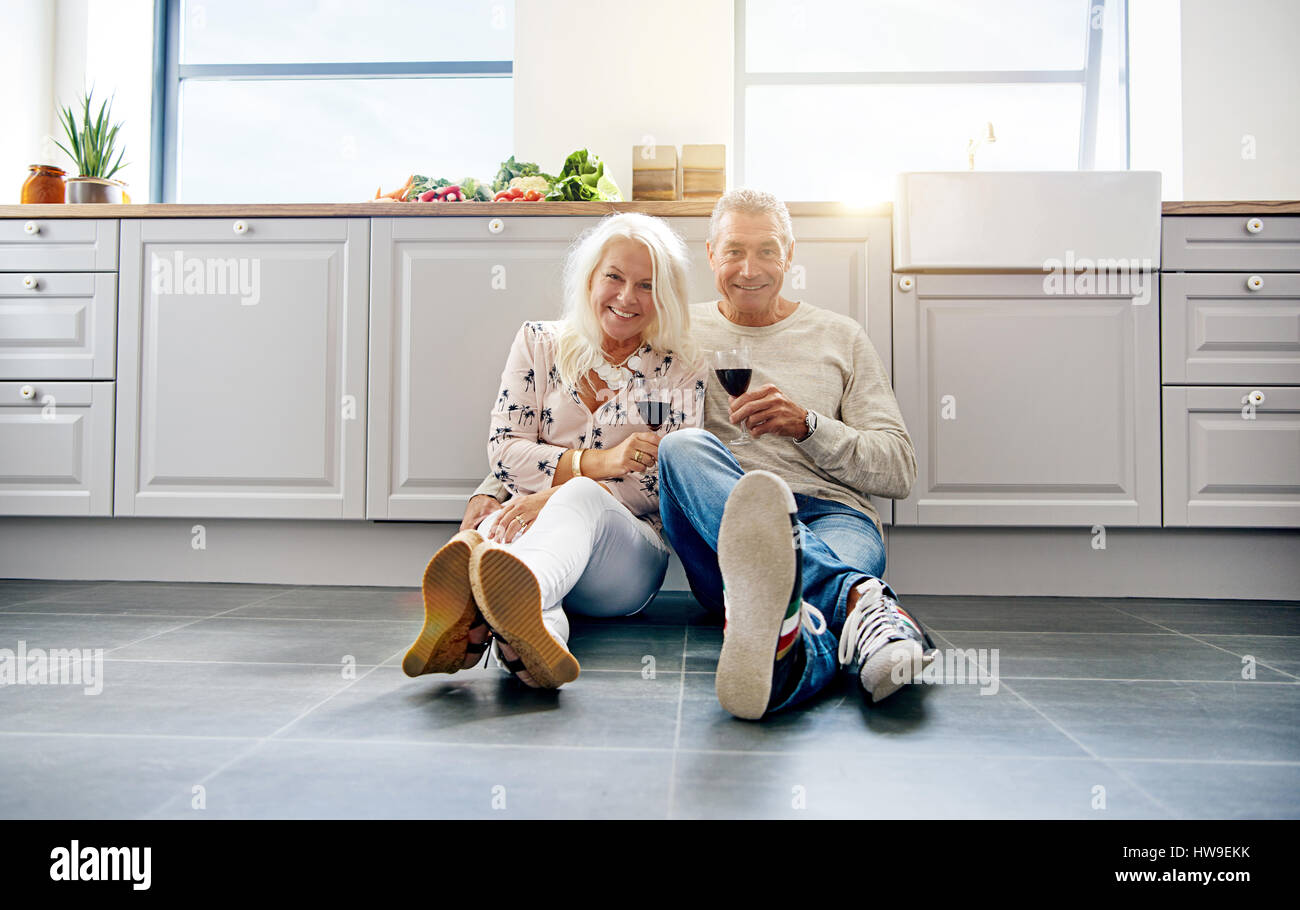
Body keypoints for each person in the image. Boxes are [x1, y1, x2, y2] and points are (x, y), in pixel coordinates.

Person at [463, 189, 937, 718]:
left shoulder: (841, 337)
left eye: (766, 251)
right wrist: (494, 488)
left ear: (790, 254)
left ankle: (796, 653)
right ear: (710, 254)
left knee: (802, 603)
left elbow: (898, 468)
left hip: (830, 516)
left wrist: (808, 426)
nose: (749, 268)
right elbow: (563, 414)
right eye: (734, 250)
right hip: (723, 529)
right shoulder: (668, 327)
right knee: (684, 447)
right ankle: (861, 606)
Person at [404, 212, 704, 689]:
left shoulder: (681, 368)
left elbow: (659, 483)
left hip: (626, 563)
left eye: (646, 285)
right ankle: (528, 636)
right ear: (590, 277)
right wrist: (599, 463)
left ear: (664, 295)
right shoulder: (538, 343)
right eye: (614, 276)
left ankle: (486, 605)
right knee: (500, 539)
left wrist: (554, 492)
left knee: (572, 502)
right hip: (540, 539)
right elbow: (504, 450)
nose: (627, 297)